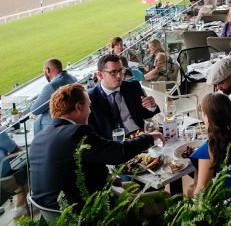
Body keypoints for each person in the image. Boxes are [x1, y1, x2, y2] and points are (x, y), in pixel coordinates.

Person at [29, 84, 161, 210]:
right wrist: (150, 137)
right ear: (79, 107)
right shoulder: (76, 132)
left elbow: (75, 171)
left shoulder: (38, 139)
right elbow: (119, 153)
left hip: (54, 214)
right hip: (88, 212)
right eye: (89, 106)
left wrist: (113, 180)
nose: (90, 111)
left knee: (133, 186)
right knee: (164, 198)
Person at [88, 55, 160, 139]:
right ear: (100, 75)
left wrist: (151, 106)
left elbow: (147, 115)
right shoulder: (90, 98)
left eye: (121, 70)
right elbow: (92, 133)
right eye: (113, 72)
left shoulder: (133, 86)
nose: (119, 76)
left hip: (141, 136)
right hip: (114, 146)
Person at [29, 58, 77, 134]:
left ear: (47, 70)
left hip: (54, 128)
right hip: (71, 122)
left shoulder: (52, 86)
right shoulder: (73, 78)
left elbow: (35, 110)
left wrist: (32, 103)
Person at [0, 131, 28, 218]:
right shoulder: (1, 133)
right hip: (5, 179)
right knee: (28, 164)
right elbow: (15, 150)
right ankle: (19, 207)